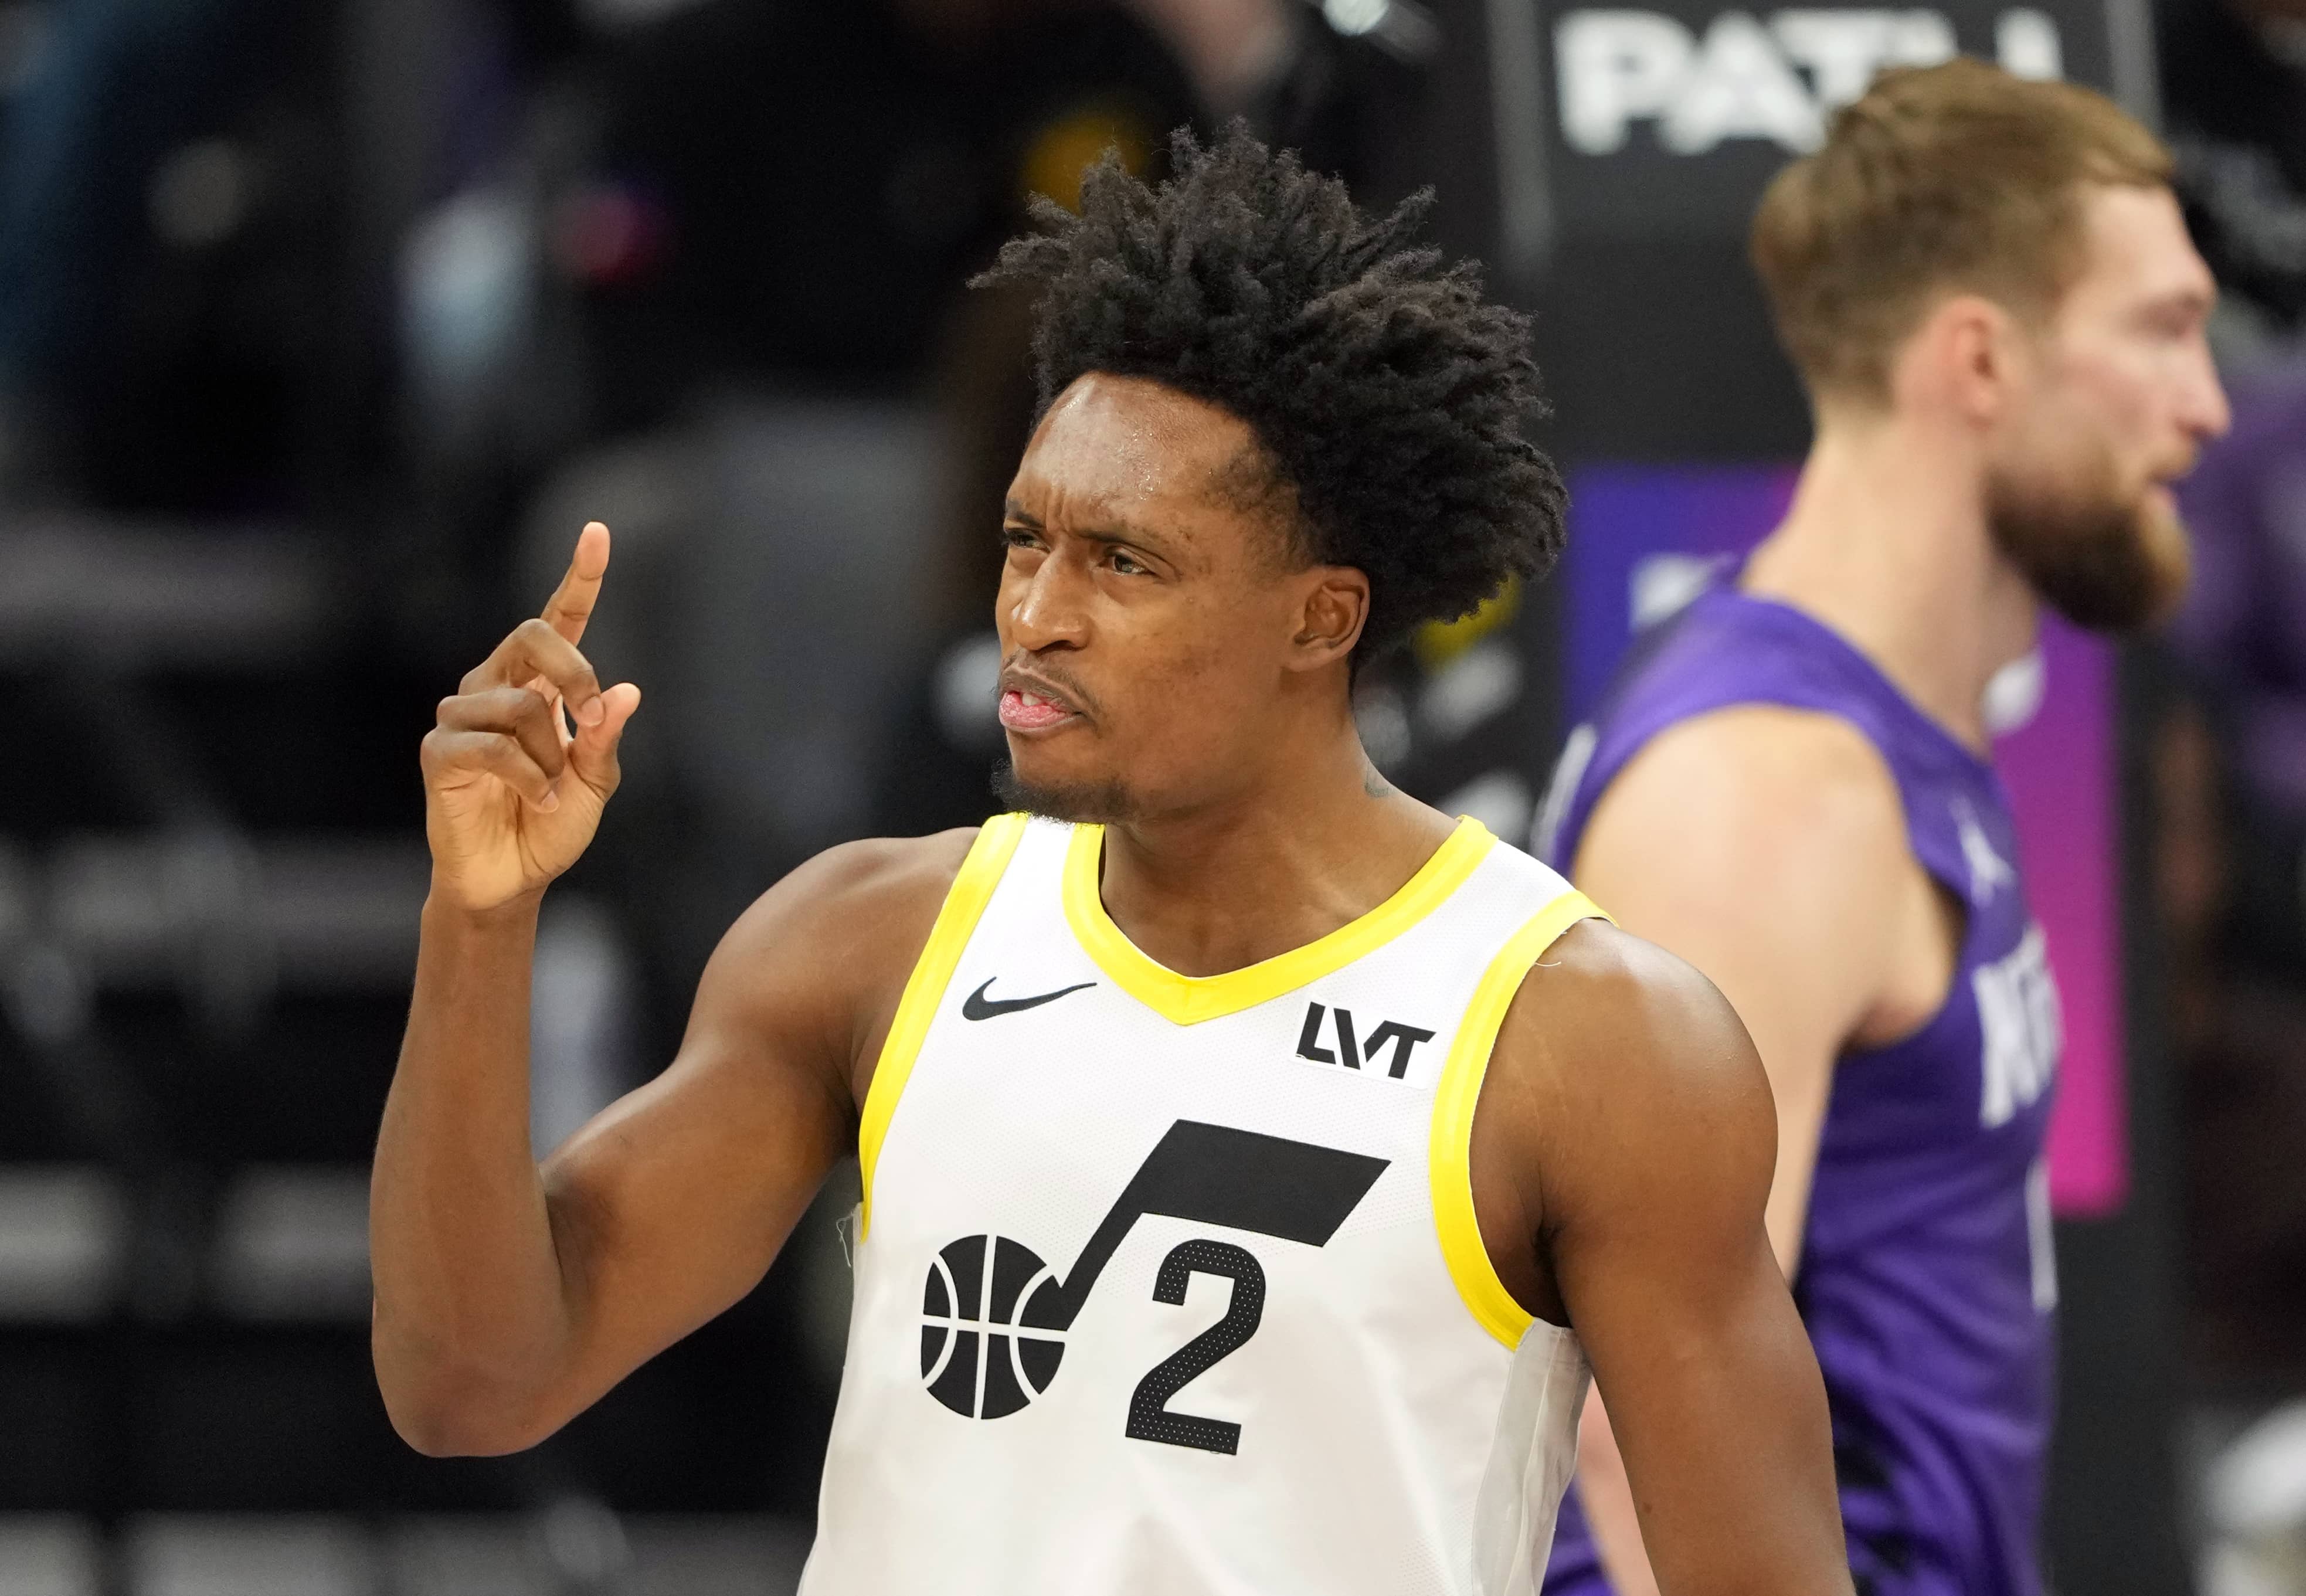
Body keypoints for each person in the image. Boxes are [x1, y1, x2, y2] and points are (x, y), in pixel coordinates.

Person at [369, 127, 1853, 1594]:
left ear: (1320, 619)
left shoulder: (1585, 1039)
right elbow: (474, 1384)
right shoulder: (869, 938)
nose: (1035, 613)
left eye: (1122, 562)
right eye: (1026, 542)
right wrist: (478, 921)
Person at [1537, 60, 2230, 1596]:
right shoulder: (1761, 790)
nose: (2207, 402)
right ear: (1979, 360)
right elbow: (1629, 1444)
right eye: (2162, 330)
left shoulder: (1902, 730)